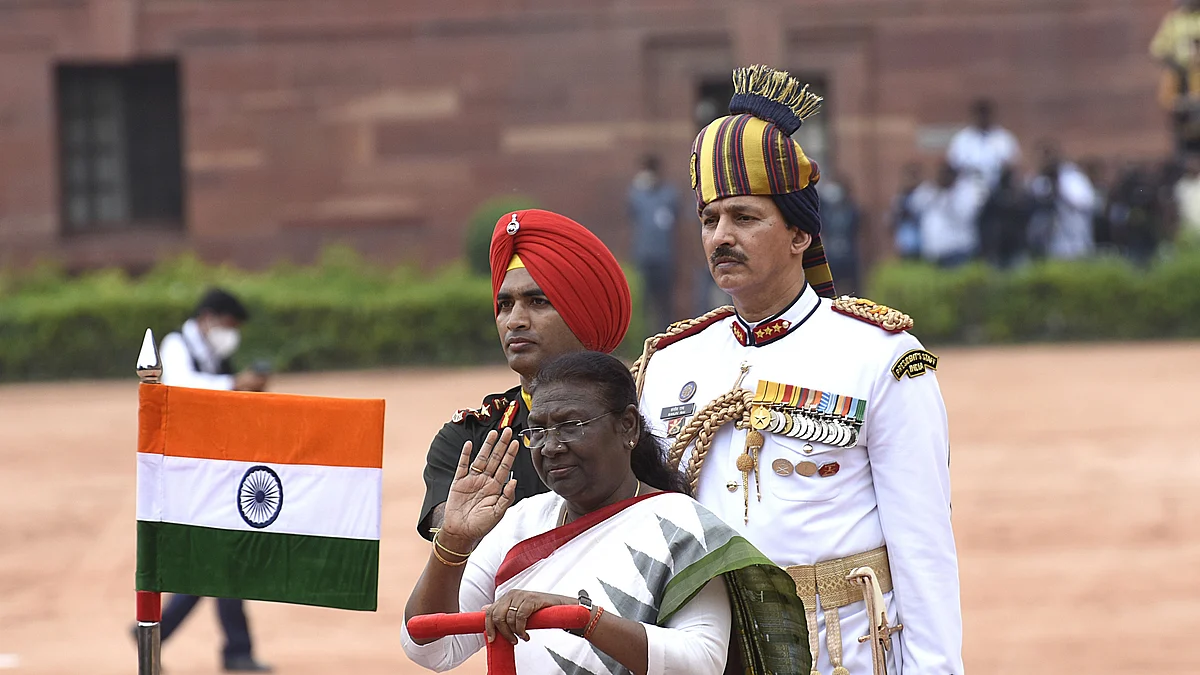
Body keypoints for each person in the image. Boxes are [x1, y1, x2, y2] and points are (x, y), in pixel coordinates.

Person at [635, 65, 963, 674]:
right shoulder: (670, 363)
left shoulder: (882, 357)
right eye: (710, 220)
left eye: (745, 218)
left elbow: (924, 550)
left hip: (841, 655)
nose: (720, 237)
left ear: (800, 235)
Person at [402, 351, 810, 674]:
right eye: (539, 430)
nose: (550, 446)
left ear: (628, 427)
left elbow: (700, 661)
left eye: (571, 425)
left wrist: (582, 618)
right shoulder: (521, 521)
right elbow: (432, 649)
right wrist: (453, 543)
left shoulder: (682, 528)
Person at [416, 209, 632, 540]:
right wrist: (461, 526)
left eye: (537, 301)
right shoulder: (469, 440)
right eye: (504, 305)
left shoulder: (637, 417)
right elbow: (450, 535)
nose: (515, 320)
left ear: (583, 316)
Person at [153, 288, 271, 672]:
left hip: (215, 469)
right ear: (208, 318)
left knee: (219, 558)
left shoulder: (218, 356)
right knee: (220, 558)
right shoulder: (174, 345)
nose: (230, 335)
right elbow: (183, 387)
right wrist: (237, 383)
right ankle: (228, 648)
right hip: (184, 471)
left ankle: (162, 634)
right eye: (228, 325)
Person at [628, 155, 681, 333]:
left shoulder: (668, 194)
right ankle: (643, 336)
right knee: (644, 303)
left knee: (664, 302)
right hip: (644, 256)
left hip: (665, 257)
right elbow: (632, 212)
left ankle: (665, 335)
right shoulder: (637, 194)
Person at [1028, 143, 1097, 261]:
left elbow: (1085, 201)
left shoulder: (1072, 177)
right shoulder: (1043, 180)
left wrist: (1059, 187)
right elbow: (1036, 194)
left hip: (1075, 229)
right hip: (1053, 235)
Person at [911, 161, 986, 267]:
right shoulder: (930, 191)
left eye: (946, 175)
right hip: (933, 251)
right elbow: (914, 205)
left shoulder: (965, 192)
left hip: (958, 250)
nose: (943, 178)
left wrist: (950, 195)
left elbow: (964, 216)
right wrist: (937, 191)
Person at [946, 98, 1020, 187]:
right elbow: (953, 164)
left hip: (997, 186)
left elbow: (1012, 164)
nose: (982, 118)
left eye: (985, 114)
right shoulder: (962, 139)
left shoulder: (1004, 138)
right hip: (968, 185)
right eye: (980, 114)